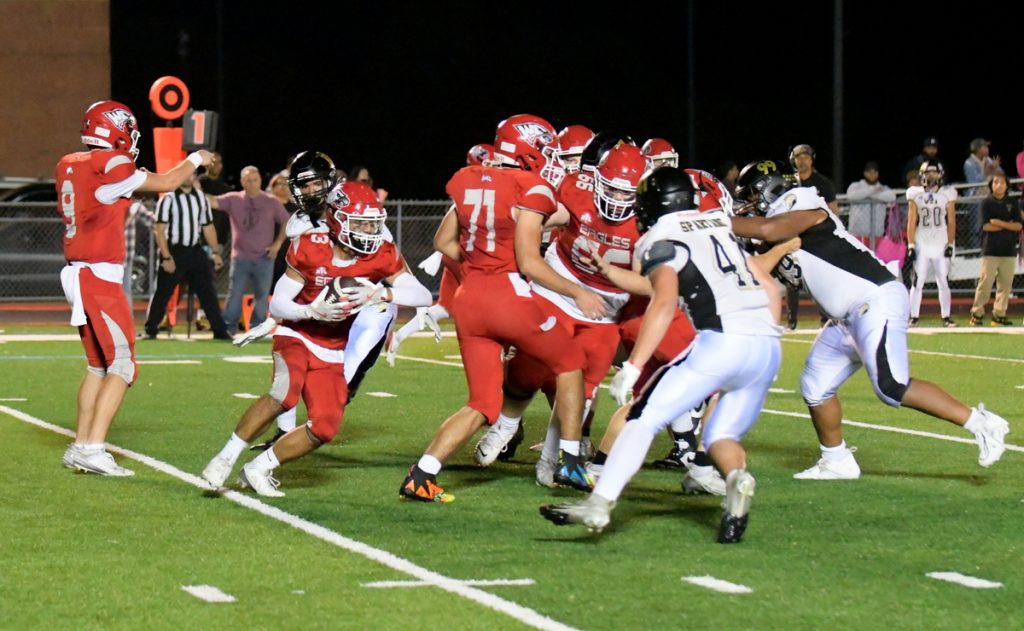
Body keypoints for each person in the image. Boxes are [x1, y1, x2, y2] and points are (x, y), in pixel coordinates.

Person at [540, 167, 783, 544]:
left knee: (642, 418)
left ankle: (599, 504)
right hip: (766, 347)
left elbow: (663, 301)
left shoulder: (661, 237)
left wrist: (633, 366)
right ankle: (737, 478)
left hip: (722, 341)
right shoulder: (718, 223)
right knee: (721, 435)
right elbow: (769, 287)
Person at [730, 158, 1010, 480]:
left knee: (892, 386)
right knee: (815, 385)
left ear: (771, 189)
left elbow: (768, 228)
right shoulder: (773, 228)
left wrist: (716, 220)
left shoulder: (801, 202)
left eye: (752, 197)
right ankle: (836, 460)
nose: (748, 206)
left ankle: (982, 423)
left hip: (874, 299)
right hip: (847, 317)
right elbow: (759, 253)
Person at [399, 113, 592, 503]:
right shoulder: (531, 185)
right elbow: (531, 260)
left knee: (482, 403)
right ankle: (571, 460)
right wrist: (576, 291)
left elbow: (443, 242)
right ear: (529, 150)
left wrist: (479, 264)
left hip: (470, 298)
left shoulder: (468, 178)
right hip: (508, 295)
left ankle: (421, 475)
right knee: (571, 361)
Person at [201, 181, 431, 496]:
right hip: (297, 332)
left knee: (325, 426)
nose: (370, 231)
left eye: (373, 224)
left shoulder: (381, 253)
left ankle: (258, 468)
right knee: (284, 394)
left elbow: (422, 294)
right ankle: (224, 458)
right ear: (337, 220)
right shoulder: (311, 246)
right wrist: (310, 310)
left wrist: (382, 293)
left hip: (333, 347)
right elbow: (279, 304)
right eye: (361, 223)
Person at [57, 100, 214, 475]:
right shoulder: (109, 165)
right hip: (98, 277)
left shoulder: (72, 163)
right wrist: (196, 159)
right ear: (116, 130)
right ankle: (92, 448)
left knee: (98, 366)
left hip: (79, 273)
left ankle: (81, 445)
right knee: (124, 366)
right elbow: (168, 182)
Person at [143, 172, 231, 339]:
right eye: (185, 174)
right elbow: (159, 230)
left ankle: (220, 330)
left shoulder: (200, 198)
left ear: (194, 177)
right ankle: (151, 329)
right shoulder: (168, 199)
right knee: (163, 292)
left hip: (194, 249)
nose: (187, 178)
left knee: (208, 291)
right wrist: (166, 257)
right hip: (174, 250)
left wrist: (215, 252)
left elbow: (207, 226)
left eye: (191, 175)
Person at [207, 166, 290, 333]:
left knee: (262, 295)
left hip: (265, 257)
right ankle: (228, 327)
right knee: (235, 294)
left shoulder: (271, 201)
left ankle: (257, 328)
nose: (252, 183)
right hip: (240, 257)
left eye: (255, 180)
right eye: (248, 180)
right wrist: (194, 190)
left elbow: (286, 222)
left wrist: (277, 244)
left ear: (260, 181)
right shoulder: (233, 199)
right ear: (242, 182)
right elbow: (213, 201)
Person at [788, 143, 838, 329]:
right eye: (798, 157)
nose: (802, 161)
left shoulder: (823, 183)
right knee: (792, 277)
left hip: (817, 236)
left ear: (811, 159)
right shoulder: (788, 183)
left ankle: (826, 318)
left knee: (821, 278)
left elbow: (833, 211)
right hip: (795, 235)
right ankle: (792, 321)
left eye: (805, 157)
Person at [906, 161, 957, 327]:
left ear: (940, 174)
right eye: (928, 173)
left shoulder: (947, 193)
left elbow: (951, 222)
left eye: (934, 173)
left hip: (941, 242)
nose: (931, 176)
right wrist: (911, 245)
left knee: (943, 281)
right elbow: (911, 221)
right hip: (922, 242)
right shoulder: (915, 193)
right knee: (917, 281)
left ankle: (946, 317)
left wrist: (950, 244)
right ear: (922, 175)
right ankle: (914, 316)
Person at [969, 173, 1023, 326]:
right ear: (991, 185)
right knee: (985, 283)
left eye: (1002, 182)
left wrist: (999, 223)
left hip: (1009, 250)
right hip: (990, 250)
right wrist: (1008, 225)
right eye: (996, 182)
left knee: (1005, 285)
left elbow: (1018, 226)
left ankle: (999, 314)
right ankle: (977, 313)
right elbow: (986, 226)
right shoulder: (986, 203)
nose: (999, 185)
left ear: (1007, 185)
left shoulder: (1012, 202)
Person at [845, 161, 896, 249]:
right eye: (870, 172)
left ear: (878, 174)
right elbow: (851, 195)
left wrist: (867, 195)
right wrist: (873, 190)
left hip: (877, 235)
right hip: (857, 234)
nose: (872, 175)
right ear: (865, 173)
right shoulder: (856, 186)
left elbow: (892, 197)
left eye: (875, 172)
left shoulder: (883, 188)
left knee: (876, 258)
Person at [963, 138, 1004, 240]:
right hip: (976, 197)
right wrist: (987, 172)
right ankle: (976, 247)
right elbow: (973, 182)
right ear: (977, 149)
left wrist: (996, 169)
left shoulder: (989, 160)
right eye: (984, 147)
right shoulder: (969, 163)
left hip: (990, 196)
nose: (987, 149)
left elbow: (1002, 174)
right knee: (977, 227)